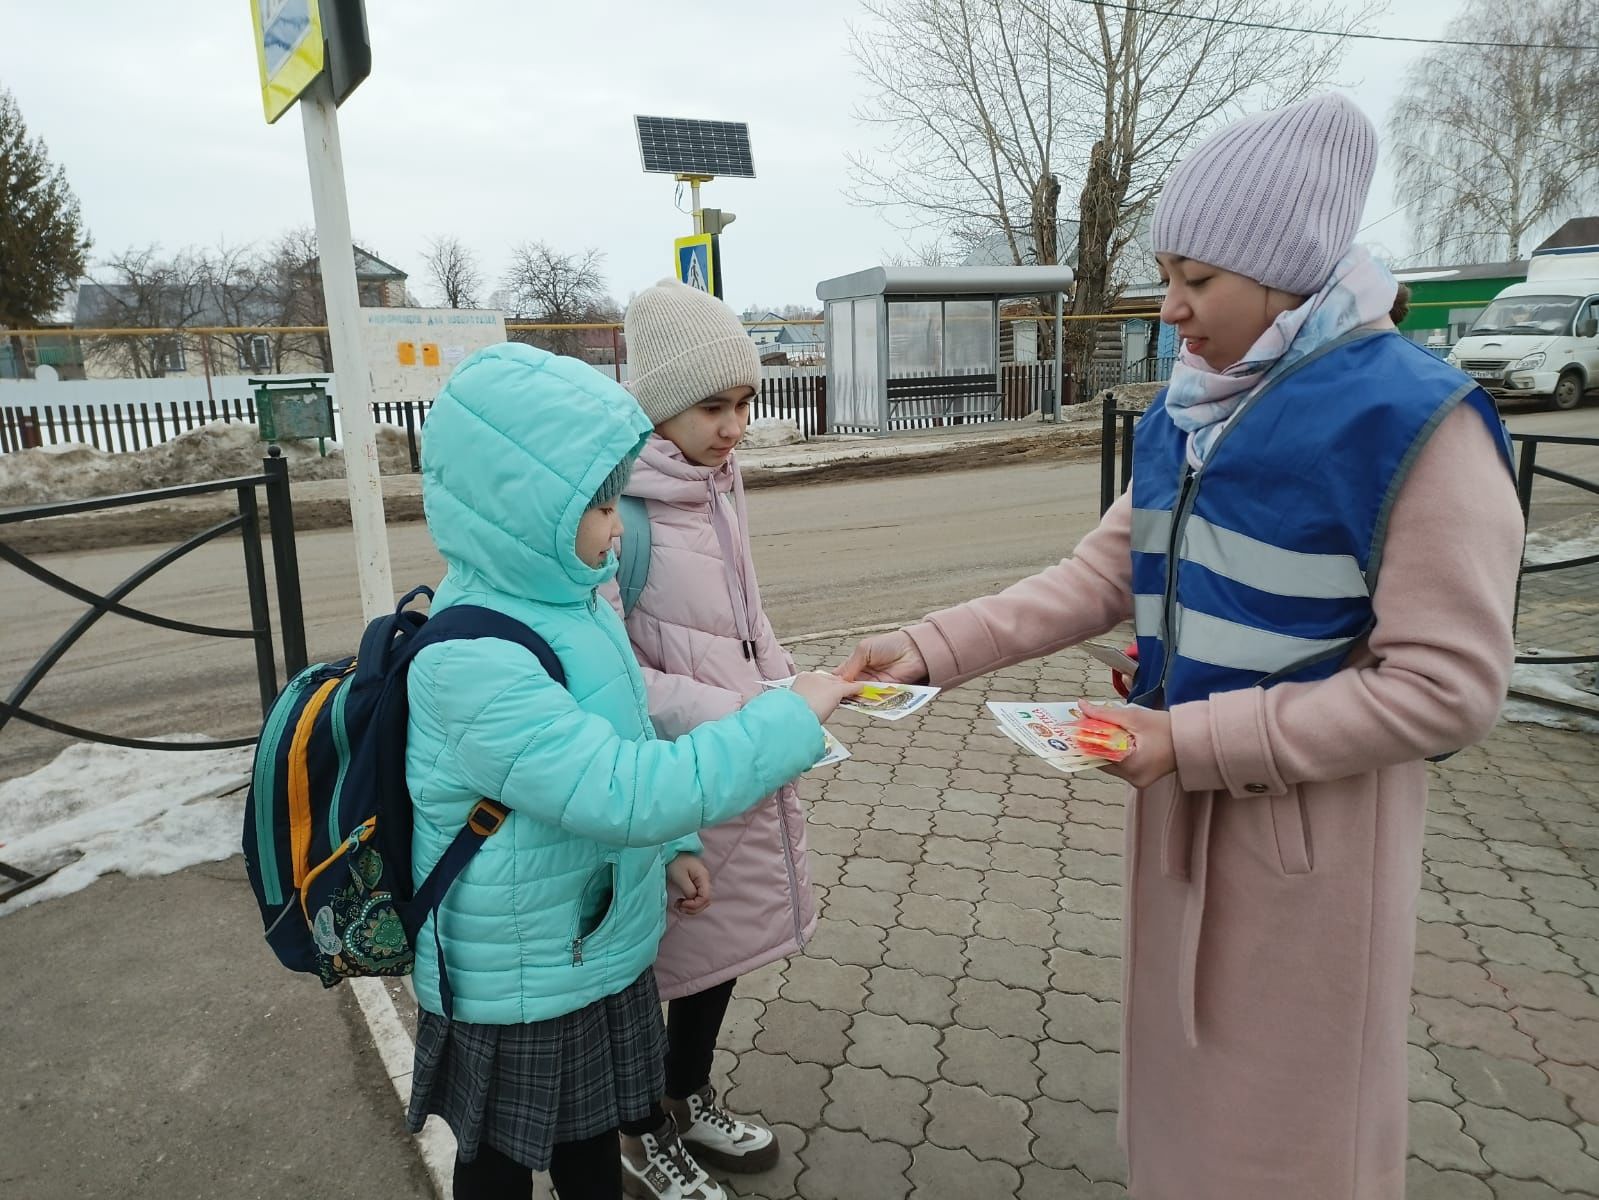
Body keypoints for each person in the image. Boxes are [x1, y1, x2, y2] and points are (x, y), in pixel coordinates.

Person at [840, 93, 1524, 1199]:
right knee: (1188, 1126)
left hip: (1315, 842)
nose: (1171, 310)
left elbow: (1448, 692)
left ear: (1286, 273)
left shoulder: (1415, 421)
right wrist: (926, 646)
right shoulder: (1194, 409)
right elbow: (1098, 575)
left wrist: (1188, 743)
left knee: (1294, 1145)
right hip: (1180, 801)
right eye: (1169, 276)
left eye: (1197, 281)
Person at [400, 342, 860, 1200]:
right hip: (515, 978)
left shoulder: (572, 605)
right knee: (496, 1167)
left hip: (591, 946)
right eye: (602, 503)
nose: (619, 524)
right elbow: (621, 791)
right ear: (522, 503)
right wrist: (790, 716)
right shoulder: (471, 655)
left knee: (586, 1152)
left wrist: (677, 844)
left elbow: (631, 734)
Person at [596, 280, 809, 1193]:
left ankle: (686, 1094)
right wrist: (735, 712)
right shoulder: (617, 512)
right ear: (657, 407)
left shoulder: (717, 485)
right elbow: (605, 676)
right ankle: (638, 1127)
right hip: (665, 779)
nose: (735, 426)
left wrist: (789, 685)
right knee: (654, 962)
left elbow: (739, 627)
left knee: (716, 945)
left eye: (744, 403)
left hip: (732, 764)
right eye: (712, 407)